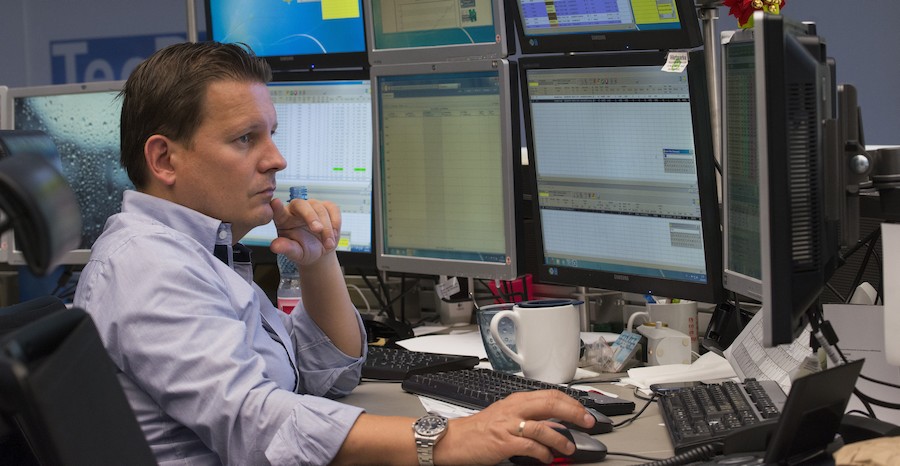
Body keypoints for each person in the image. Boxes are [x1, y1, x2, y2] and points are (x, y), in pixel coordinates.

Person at [74, 41, 595, 465]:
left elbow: (326, 374)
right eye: (245, 139)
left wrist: (319, 259)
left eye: (271, 135)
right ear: (164, 159)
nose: (276, 159)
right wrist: (447, 438)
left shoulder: (198, 252)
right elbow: (256, 427)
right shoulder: (148, 266)